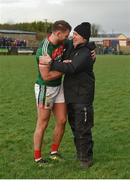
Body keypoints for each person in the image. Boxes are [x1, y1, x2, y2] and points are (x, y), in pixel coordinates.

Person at [40, 22, 95, 169]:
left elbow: (71, 67)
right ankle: (81, 155)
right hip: (70, 95)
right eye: (73, 34)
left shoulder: (84, 53)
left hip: (82, 97)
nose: (73, 37)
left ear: (83, 38)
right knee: (76, 128)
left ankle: (86, 159)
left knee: (83, 129)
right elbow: (62, 42)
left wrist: (51, 62)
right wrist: (92, 46)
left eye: (76, 34)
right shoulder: (73, 46)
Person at [34, 20, 72, 165]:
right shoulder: (44, 51)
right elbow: (46, 76)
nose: (68, 38)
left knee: (62, 120)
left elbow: (79, 43)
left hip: (58, 87)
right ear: (58, 33)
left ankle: (54, 152)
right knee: (43, 122)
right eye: (66, 35)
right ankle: (38, 158)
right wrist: (65, 68)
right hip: (46, 88)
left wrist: (91, 50)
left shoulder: (64, 42)